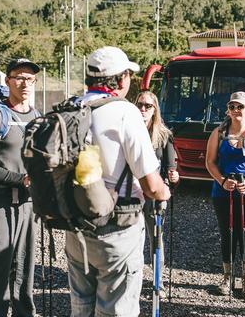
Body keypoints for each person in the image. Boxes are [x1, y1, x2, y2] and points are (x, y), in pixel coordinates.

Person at [64, 46, 171, 317]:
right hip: (116, 230)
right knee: (116, 310)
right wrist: (164, 192)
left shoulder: (72, 107)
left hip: (75, 230)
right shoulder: (125, 113)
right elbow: (151, 185)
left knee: (81, 308)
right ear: (122, 79)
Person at [0, 58, 40, 316]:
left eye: (30, 78)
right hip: (0, 204)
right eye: (19, 77)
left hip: (28, 205)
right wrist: (20, 180)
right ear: (8, 81)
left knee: (25, 268)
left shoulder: (36, 116)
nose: (25, 83)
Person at [206, 91, 245, 298]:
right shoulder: (219, 132)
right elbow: (210, 162)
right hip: (223, 191)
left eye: (240, 107)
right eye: (232, 107)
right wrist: (222, 181)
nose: (236, 111)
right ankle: (227, 277)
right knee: (227, 233)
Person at [134, 90, 179, 299]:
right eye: (140, 105)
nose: (143, 109)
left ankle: (158, 282)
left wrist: (173, 176)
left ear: (155, 110)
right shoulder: (130, 130)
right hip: (132, 194)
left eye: (147, 106)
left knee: (155, 239)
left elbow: (171, 167)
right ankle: (132, 280)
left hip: (153, 194)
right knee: (133, 239)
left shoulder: (163, 134)